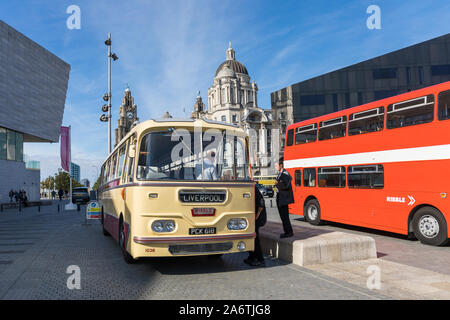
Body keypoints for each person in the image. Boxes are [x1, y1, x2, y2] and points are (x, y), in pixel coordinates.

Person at [244, 184, 267, 267]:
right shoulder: (249, 188)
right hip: (251, 218)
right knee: (251, 238)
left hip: (256, 218)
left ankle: (260, 260)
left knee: (256, 239)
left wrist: (256, 216)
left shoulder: (254, 189)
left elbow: (261, 204)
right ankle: (252, 256)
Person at [275, 157, 294, 238]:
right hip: (280, 198)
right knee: (283, 217)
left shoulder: (285, 174)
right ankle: (287, 231)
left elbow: (285, 186)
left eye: (276, 166)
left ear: (281, 165)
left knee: (285, 217)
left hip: (283, 199)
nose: (275, 167)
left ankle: (288, 232)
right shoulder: (280, 174)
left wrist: (277, 183)